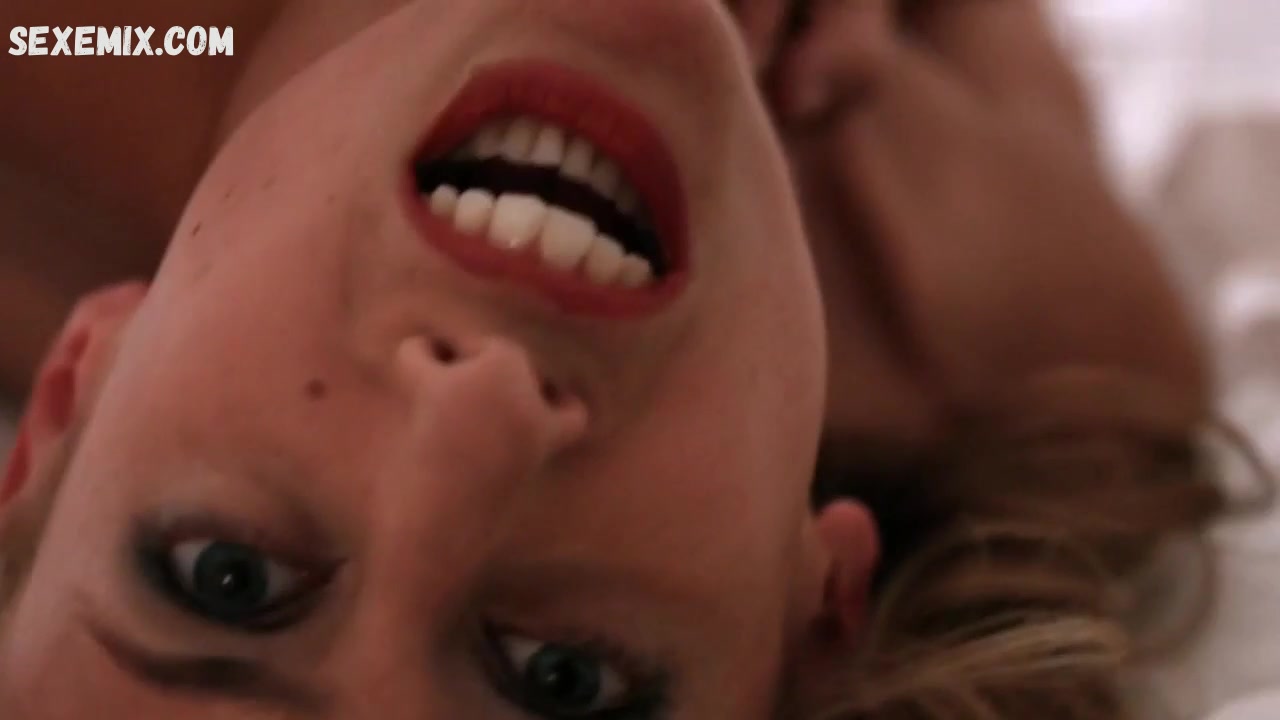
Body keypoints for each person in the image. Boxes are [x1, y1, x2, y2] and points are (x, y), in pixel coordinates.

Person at [0, 1, 1229, 718]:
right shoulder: (1020, 341)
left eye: (224, 575)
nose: (481, 412)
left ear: (73, 393)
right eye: (561, 683)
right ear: (812, 619)